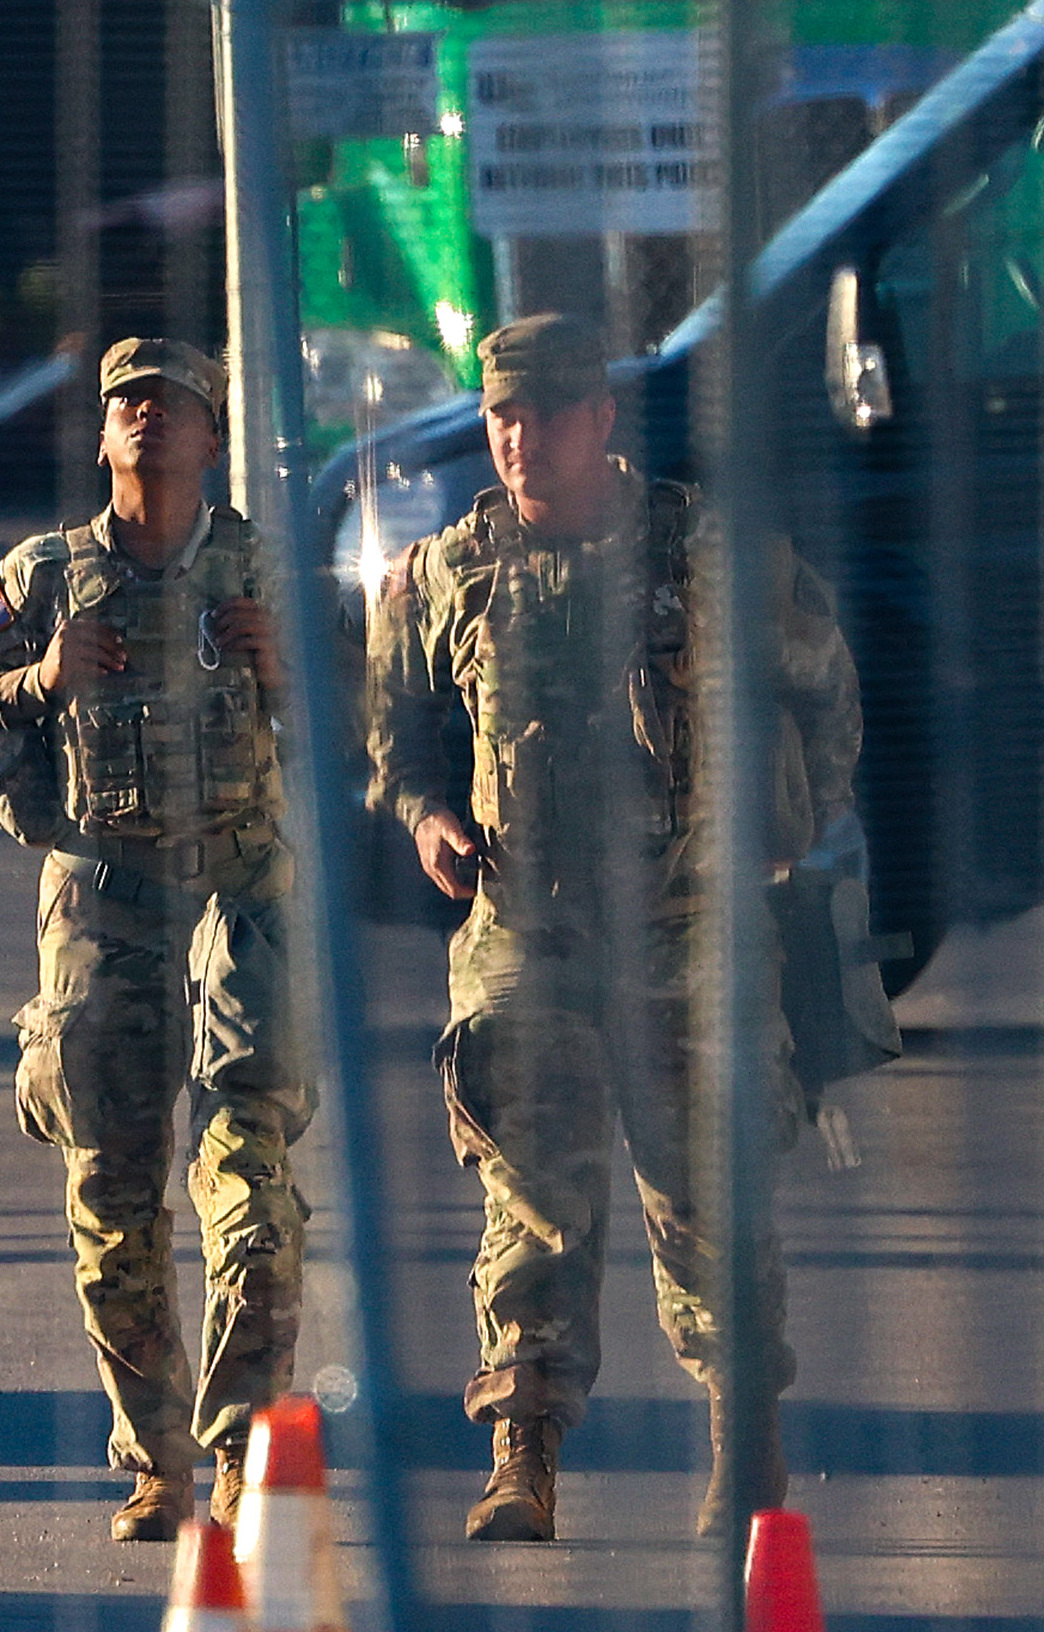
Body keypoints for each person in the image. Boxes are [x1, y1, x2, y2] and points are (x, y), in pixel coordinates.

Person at [364, 313, 864, 1541]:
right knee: (529, 1204)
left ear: (598, 420)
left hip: (688, 937)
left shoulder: (707, 555)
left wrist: (794, 822)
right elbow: (390, 723)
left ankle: (742, 1447)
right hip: (521, 941)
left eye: (541, 415)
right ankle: (519, 1458)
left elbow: (823, 684)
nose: (517, 440)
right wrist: (425, 814)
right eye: (498, 418)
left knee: (709, 1199)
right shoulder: (448, 571)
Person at [0, 338, 310, 1539]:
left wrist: (287, 668)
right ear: (99, 438)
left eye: (171, 404)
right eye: (124, 404)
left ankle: (240, 1447)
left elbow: (370, 707)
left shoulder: (260, 568)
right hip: (102, 904)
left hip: (239, 898)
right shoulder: (42, 577)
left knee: (250, 1185)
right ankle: (155, 1462)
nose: (144, 417)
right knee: (112, 1197)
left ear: (209, 437)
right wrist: (33, 680)